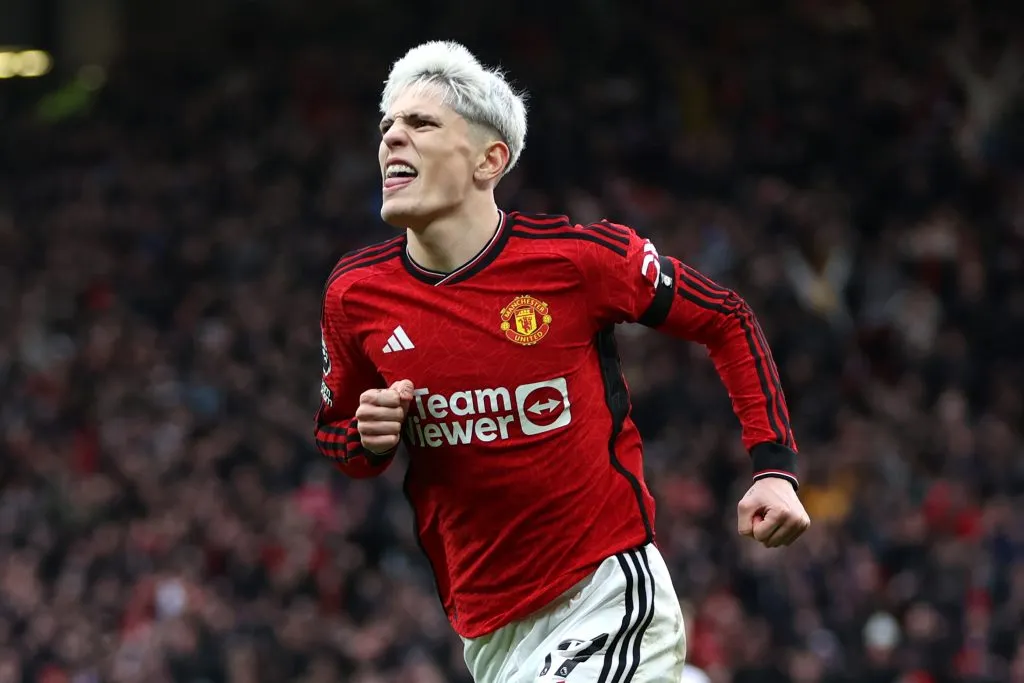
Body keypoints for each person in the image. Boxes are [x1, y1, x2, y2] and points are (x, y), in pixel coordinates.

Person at [313, 40, 811, 683]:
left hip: (605, 593)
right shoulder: (355, 295)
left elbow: (727, 318)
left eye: (421, 124)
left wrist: (775, 468)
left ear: (489, 160)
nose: (391, 140)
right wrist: (366, 435)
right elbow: (337, 438)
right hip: (490, 634)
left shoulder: (576, 261)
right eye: (387, 128)